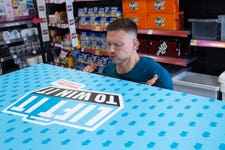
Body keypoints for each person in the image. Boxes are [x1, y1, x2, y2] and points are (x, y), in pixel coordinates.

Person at [83, 18, 173, 90]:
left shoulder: (158, 75)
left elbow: (170, 108)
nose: (111, 50)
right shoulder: (108, 69)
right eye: (109, 44)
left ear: (135, 44)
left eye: (118, 44)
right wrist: (93, 80)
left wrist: (159, 94)